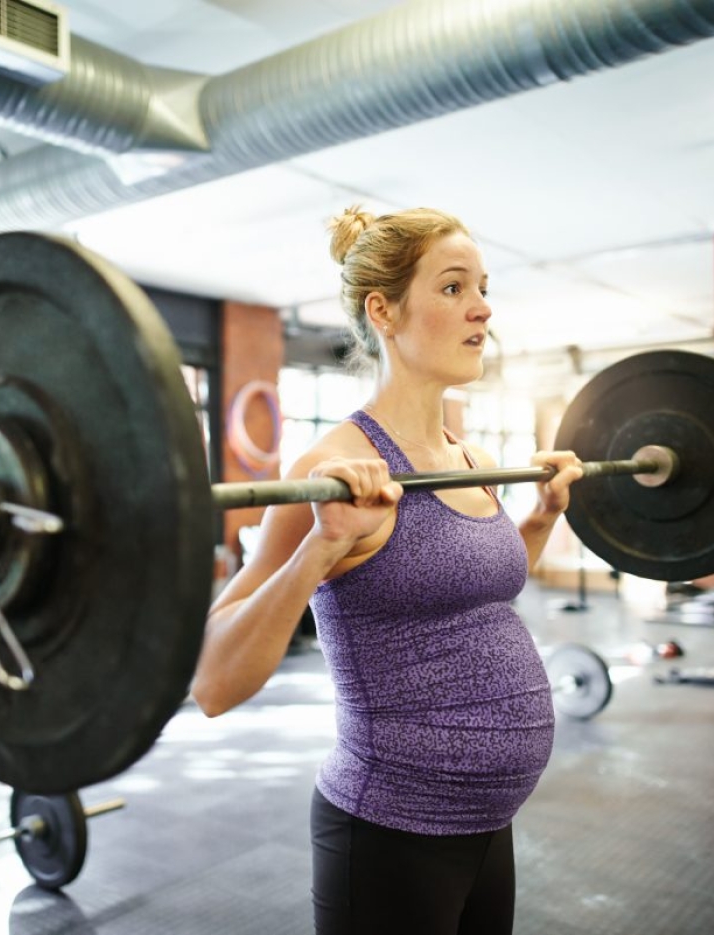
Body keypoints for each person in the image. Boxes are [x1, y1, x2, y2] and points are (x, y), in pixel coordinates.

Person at [191, 206, 584, 935]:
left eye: (484, 287)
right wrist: (319, 547)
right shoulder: (328, 469)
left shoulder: (468, 458)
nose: (482, 307)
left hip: (486, 826)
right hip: (390, 832)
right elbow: (213, 682)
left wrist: (541, 517)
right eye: (453, 287)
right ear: (385, 310)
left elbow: (466, 592)